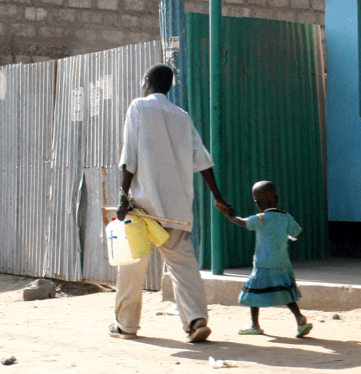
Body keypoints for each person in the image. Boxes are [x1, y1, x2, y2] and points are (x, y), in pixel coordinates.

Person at [110, 64, 231, 344]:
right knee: (184, 267)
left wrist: (122, 195)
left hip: (143, 209)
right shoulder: (182, 116)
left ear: (147, 81)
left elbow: (130, 155)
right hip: (175, 208)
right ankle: (196, 320)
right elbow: (201, 159)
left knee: (132, 266)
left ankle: (126, 324)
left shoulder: (138, 107)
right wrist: (217, 196)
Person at [220, 180, 313, 338]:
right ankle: (300, 319)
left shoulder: (260, 218)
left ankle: (255, 325)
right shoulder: (286, 217)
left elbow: (242, 222)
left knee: (253, 294)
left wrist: (230, 215)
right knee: (286, 293)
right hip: (282, 263)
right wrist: (287, 234)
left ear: (256, 202)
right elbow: (298, 233)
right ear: (276, 198)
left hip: (263, 264)